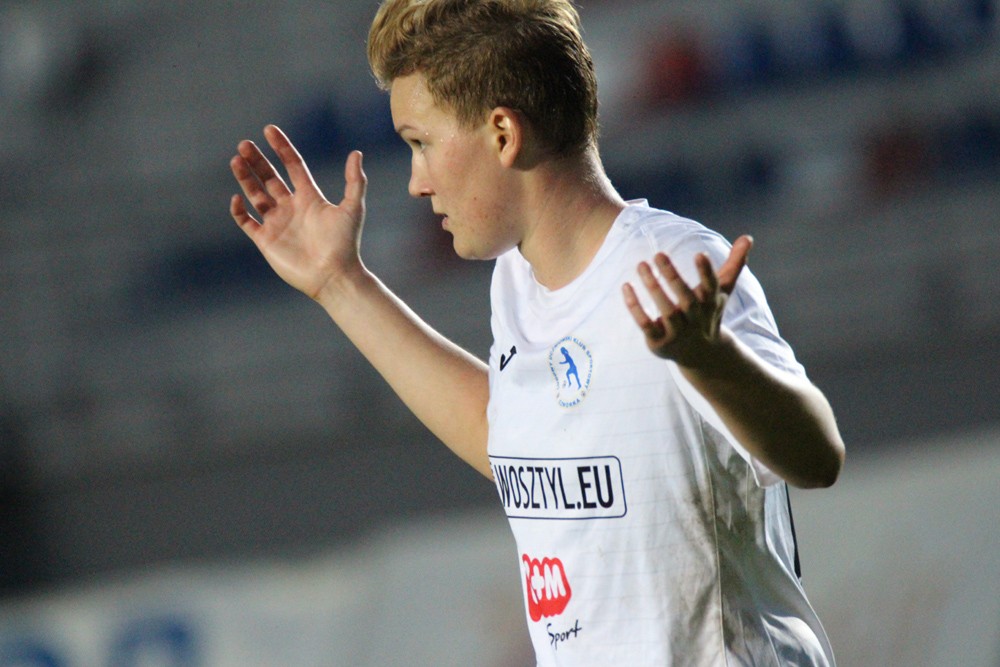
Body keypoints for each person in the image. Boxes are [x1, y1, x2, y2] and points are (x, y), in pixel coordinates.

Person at [228, 0, 846, 664]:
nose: (415, 182)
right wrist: (339, 283)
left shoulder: (668, 265)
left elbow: (816, 457)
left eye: (421, 143)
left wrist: (713, 360)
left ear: (503, 134)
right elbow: (515, 444)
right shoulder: (517, 283)